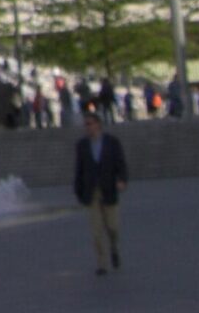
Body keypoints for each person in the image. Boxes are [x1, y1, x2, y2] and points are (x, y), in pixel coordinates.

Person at [73, 111, 127, 276]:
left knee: (113, 227)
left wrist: (122, 179)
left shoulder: (111, 142)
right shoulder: (82, 145)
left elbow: (121, 163)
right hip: (92, 192)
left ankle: (114, 247)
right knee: (96, 231)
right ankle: (102, 263)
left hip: (109, 189)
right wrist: (78, 190)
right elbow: (79, 169)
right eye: (86, 124)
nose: (87, 127)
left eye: (90, 123)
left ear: (98, 124)